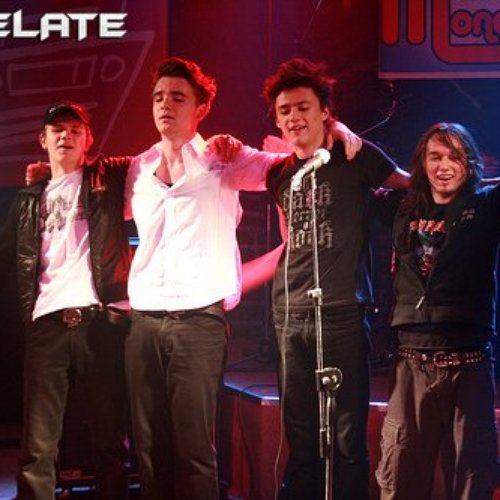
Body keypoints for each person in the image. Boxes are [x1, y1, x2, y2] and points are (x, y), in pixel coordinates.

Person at [122, 56, 364, 500]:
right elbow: (90, 195)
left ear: (200, 108)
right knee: (149, 448)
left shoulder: (222, 157)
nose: (165, 105)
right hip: (143, 321)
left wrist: (338, 128)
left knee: (195, 449)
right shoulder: (138, 168)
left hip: (198, 321)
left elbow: (298, 155)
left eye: (178, 97)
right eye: (158, 97)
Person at [262, 58, 410, 500]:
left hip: (342, 312)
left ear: (325, 111)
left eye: (303, 107)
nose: (294, 117)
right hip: (289, 314)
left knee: (346, 438)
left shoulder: (355, 156)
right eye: (284, 110)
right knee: (301, 436)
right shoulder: (278, 174)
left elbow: (408, 186)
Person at [0, 102, 131, 499]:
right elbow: (7, 254)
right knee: (38, 445)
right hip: (46, 324)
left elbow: (159, 156)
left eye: (75, 130)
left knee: (108, 436)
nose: (66, 136)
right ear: (42, 140)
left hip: (98, 323)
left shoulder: (107, 178)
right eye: (57, 130)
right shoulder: (28, 199)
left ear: (89, 140)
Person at [375, 123, 500, 500]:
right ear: (421, 163)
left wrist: (486, 181)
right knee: (400, 480)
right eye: (435, 156)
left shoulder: (486, 206)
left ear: (470, 164)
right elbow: (360, 174)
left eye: (455, 157)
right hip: (410, 365)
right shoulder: (401, 207)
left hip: (469, 365)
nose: (444, 166)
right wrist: (340, 134)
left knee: (472, 482)